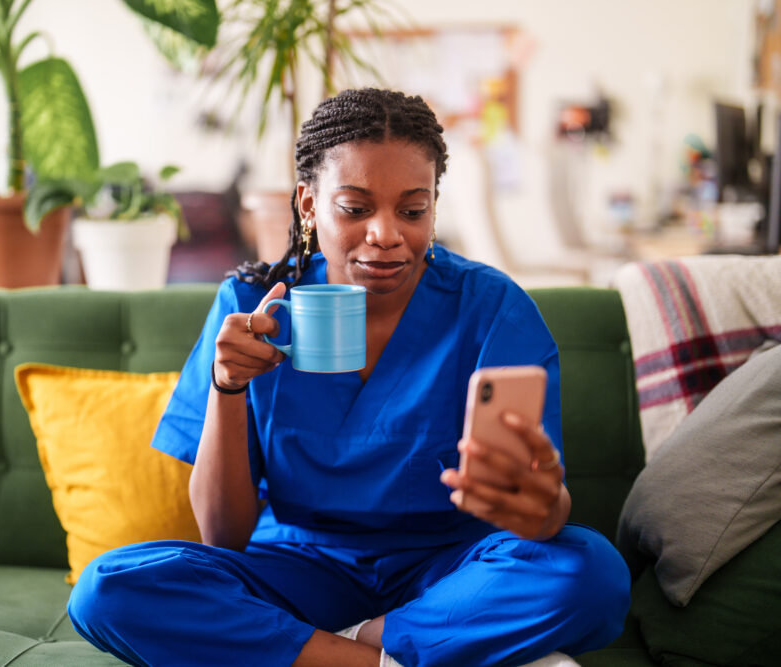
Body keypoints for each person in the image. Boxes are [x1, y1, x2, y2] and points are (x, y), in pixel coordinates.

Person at [67, 88, 630, 667]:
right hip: (300, 569)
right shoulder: (254, 305)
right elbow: (222, 535)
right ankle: (404, 655)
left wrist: (544, 509)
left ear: (434, 207)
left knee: (593, 573)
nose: (385, 233)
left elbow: (537, 514)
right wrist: (226, 386)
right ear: (309, 205)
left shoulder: (491, 309)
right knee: (107, 588)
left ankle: (341, 647)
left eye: (412, 211)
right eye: (355, 208)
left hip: (453, 574)